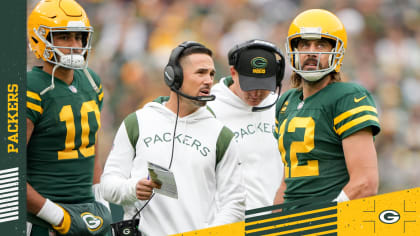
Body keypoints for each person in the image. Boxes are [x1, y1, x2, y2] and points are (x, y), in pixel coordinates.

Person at [100, 41, 245, 235]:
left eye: (211, 74)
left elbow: (234, 203)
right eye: (200, 72)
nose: (209, 80)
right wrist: (132, 188)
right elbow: (108, 185)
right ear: (174, 76)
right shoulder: (137, 122)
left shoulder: (222, 135)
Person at [273, 9, 381, 209]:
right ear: (294, 50)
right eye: (305, 44)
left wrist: (322, 221)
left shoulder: (347, 96)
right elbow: (286, 183)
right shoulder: (286, 102)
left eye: (321, 44)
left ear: (336, 51)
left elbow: (365, 183)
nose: (312, 52)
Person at [26, 0, 111, 235]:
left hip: (87, 213)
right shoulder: (28, 89)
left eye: (78, 37)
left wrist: (100, 200)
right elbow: (8, 172)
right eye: (63, 37)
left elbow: (90, 147)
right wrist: (56, 216)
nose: (74, 45)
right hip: (44, 221)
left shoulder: (91, 82)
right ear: (40, 38)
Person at [207, 39, 285, 210]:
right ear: (233, 72)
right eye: (249, 86)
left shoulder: (281, 107)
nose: (256, 93)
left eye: (264, 86)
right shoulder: (207, 109)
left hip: (275, 222)